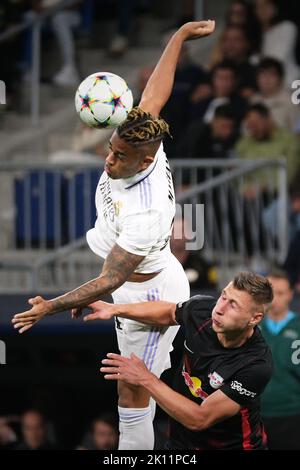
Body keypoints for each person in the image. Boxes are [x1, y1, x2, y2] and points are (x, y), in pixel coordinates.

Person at [11, 19, 216, 450]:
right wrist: (177, 37)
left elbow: (111, 280)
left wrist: (51, 305)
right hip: (126, 284)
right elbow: (155, 95)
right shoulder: (145, 141)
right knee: (129, 386)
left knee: (133, 388)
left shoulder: (148, 212)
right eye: (110, 148)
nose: (109, 160)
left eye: (120, 157)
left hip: (151, 291)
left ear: (144, 164)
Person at [86, 271, 274, 450]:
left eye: (233, 305)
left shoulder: (256, 365)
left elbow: (200, 419)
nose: (220, 309)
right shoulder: (203, 310)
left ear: (254, 318)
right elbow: (169, 312)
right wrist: (114, 309)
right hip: (180, 444)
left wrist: (145, 378)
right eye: (223, 296)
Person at [260, 270, 300, 449]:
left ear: (290, 294)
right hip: (254, 414)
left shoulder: (298, 327)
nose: (274, 298)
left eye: (281, 293)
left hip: (292, 413)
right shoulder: (250, 326)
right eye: (270, 293)